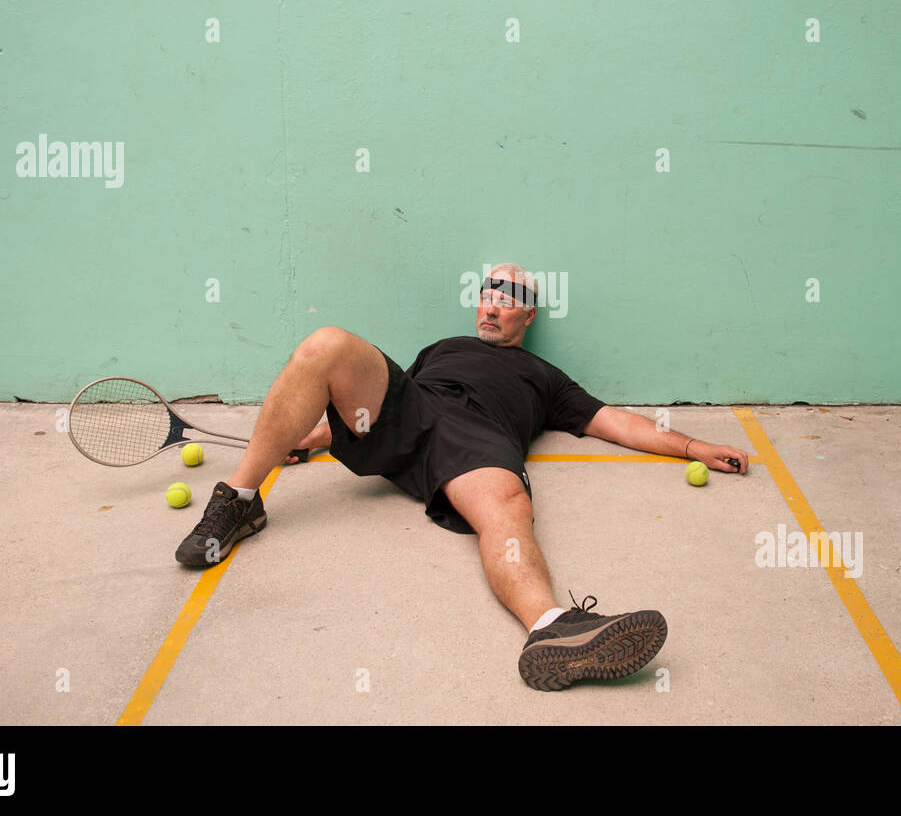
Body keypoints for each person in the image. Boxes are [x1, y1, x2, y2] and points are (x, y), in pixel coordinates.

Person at [175, 263, 749, 690]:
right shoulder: (440, 349)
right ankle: (241, 500)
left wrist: (694, 444)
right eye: (486, 293)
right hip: (413, 413)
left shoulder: (547, 377)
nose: (493, 304)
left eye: (512, 296)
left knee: (504, 507)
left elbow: (616, 424)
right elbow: (372, 410)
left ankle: (550, 627)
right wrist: (314, 437)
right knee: (327, 345)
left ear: (529, 314)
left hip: (476, 443)